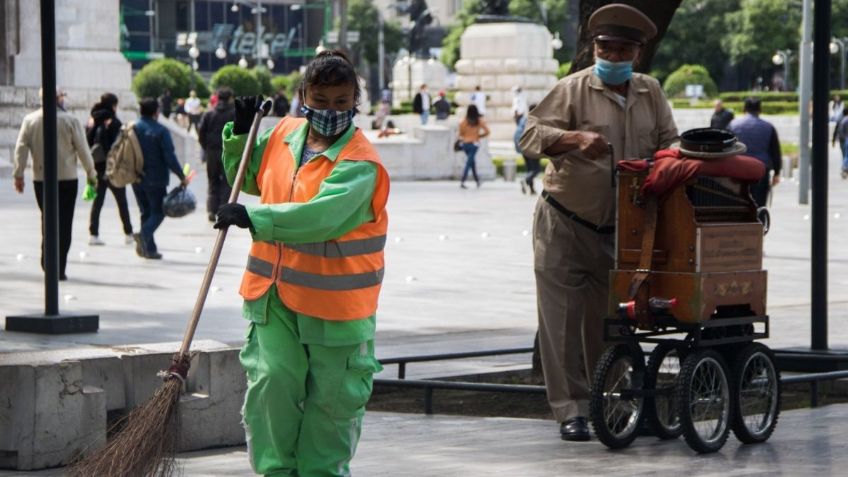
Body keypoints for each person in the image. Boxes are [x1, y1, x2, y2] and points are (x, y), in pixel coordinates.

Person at [214, 49, 389, 476]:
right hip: (272, 297)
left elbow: (321, 217)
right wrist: (239, 133)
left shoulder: (361, 164)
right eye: (322, 99)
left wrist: (254, 218)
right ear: (303, 95)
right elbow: (249, 175)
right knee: (270, 386)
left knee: (330, 408)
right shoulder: (284, 134)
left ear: (355, 102)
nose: (330, 110)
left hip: (336, 312)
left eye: (341, 102)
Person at [519, 3, 678, 442]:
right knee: (561, 324)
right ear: (594, 47)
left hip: (622, 231)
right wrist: (572, 139)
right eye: (604, 47)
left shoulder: (651, 92)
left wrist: (665, 164)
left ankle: (615, 404)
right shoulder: (571, 90)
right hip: (564, 223)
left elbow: (671, 143)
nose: (610, 56)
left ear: (637, 54)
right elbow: (527, 136)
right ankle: (569, 410)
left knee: (610, 324)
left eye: (621, 49)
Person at [13, 87, 97, 280]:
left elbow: (21, 148)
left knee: (47, 218)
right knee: (64, 222)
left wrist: (18, 174)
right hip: (67, 178)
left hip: (40, 179)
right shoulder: (70, 120)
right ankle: (58, 267)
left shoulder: (30, 120)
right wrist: (91, 174)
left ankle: (47, 260)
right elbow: (83, 150)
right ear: (58, 99)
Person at [131, 98, 188, 259]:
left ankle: (148, 249)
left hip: (136, 178)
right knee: (159, 212)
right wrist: (181, 176)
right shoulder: (160, 130)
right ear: (156, 112)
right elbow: (169, 157)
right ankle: (144, 235)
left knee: (145, 212)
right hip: (156, 178)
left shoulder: (132, 128)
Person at [87, 92, 134, 246]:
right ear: (113, 105)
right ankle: (128, 234)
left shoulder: (92, 120)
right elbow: (120, 145)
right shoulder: (113, 121)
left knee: (97, 202)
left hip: (97, 167)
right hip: (112, 169)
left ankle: (93, 234)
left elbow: (87, 141)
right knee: (122, 202)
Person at [728, 97, 782, 206]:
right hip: (761, 171)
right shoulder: (769, 127)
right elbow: (775, 151)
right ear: (760, 110)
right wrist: (777, 173)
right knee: (759, 206)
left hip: (738, 170)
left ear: (744, 109)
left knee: (739, 205)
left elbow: (726, 148)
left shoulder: (733, 125)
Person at [198, 87, 236, 222]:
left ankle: (212, 210)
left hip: (212, 152)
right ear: (230, 98)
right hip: (228, 152)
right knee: (227, 182)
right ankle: (223, 211)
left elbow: (201, 133)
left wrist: (206, 147)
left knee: (213, 181)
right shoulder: (233, 114)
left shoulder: (209, 114)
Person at [457, 104, 490, 189]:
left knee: (471, 162)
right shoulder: (479, 121)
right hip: (474, 144)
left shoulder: (464, 121)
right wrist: (479, 136)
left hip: (465, 144)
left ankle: (477, 181)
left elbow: (460, 134)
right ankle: (463, 181)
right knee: (469, 162)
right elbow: (487, 131)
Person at [515, 103, 540, 195]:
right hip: (531, 147)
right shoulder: (534, 120)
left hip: (522, 147)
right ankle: (525, 180)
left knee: (530, 169)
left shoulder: (524, 119)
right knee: (536, 169)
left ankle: (532, 189)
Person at [833, 105, 848, 177]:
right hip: (846, 140)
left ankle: (845, 169)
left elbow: (836, 130)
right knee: (846, 155)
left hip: (842, 140)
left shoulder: (840, 120)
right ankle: (844, 168)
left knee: (844, 155)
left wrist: (834, 140)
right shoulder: (846, 120)